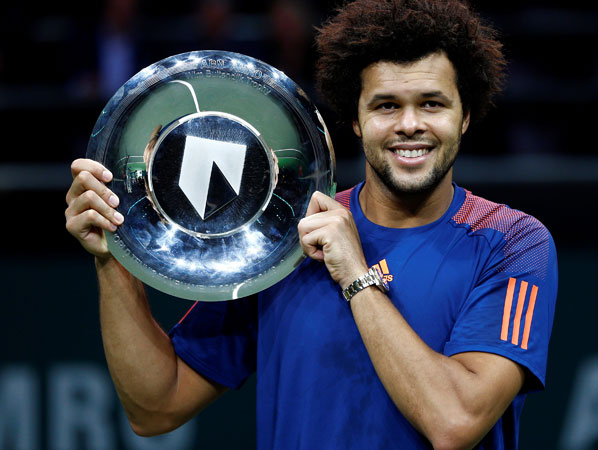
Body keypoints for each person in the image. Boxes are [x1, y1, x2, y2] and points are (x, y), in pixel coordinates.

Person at [64, 0, 557, 448]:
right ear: (356, 120)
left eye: (432, 103)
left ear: (465, 115)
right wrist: (114, 258)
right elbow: (156, 407)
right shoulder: (285, 239)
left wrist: (356, 275)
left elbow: (455, 423)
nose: (410, 124)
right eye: (386, 105)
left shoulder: (513, 243)